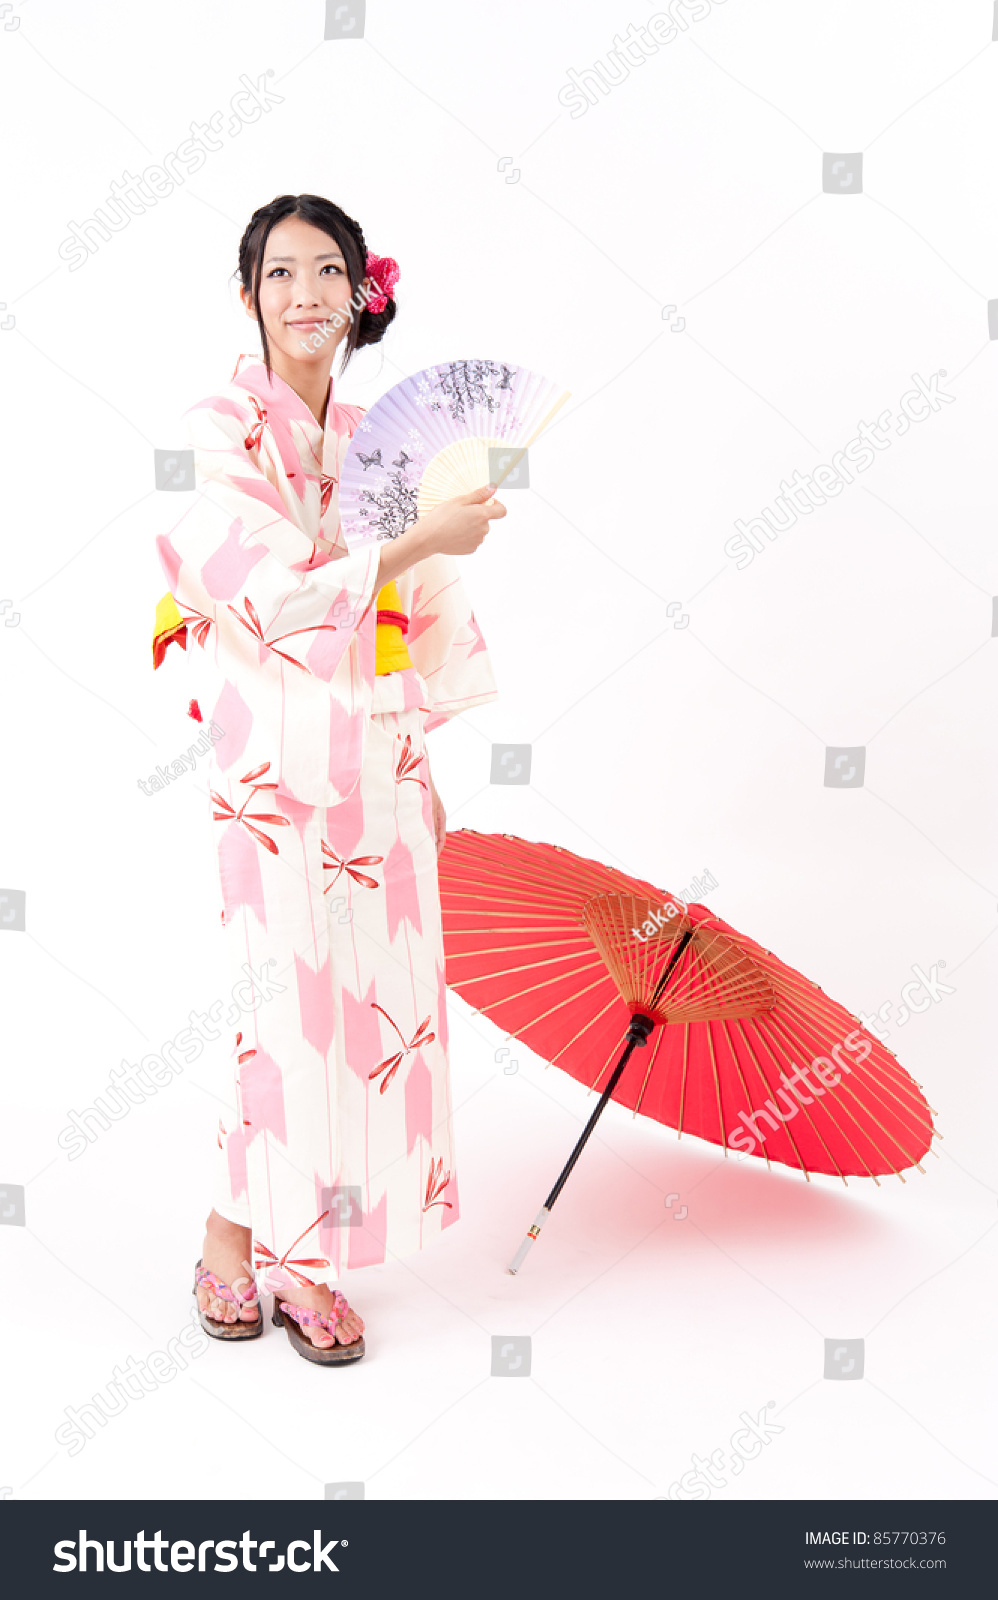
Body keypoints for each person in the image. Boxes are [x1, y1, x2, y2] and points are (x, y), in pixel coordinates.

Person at [153, 193, 505, 1365]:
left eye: (327, 272)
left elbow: (415, 615)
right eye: (281, 272)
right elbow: (273, 592)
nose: (305, 293)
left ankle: (301, 1258)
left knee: (362, 1022)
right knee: (278, 1018)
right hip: (272, 771)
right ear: (247, 296)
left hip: (380, 767)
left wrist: (423, 757)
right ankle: (224, 1241)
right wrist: (420, 539)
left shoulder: (377, 438)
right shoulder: (217, 431)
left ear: (363, 295)